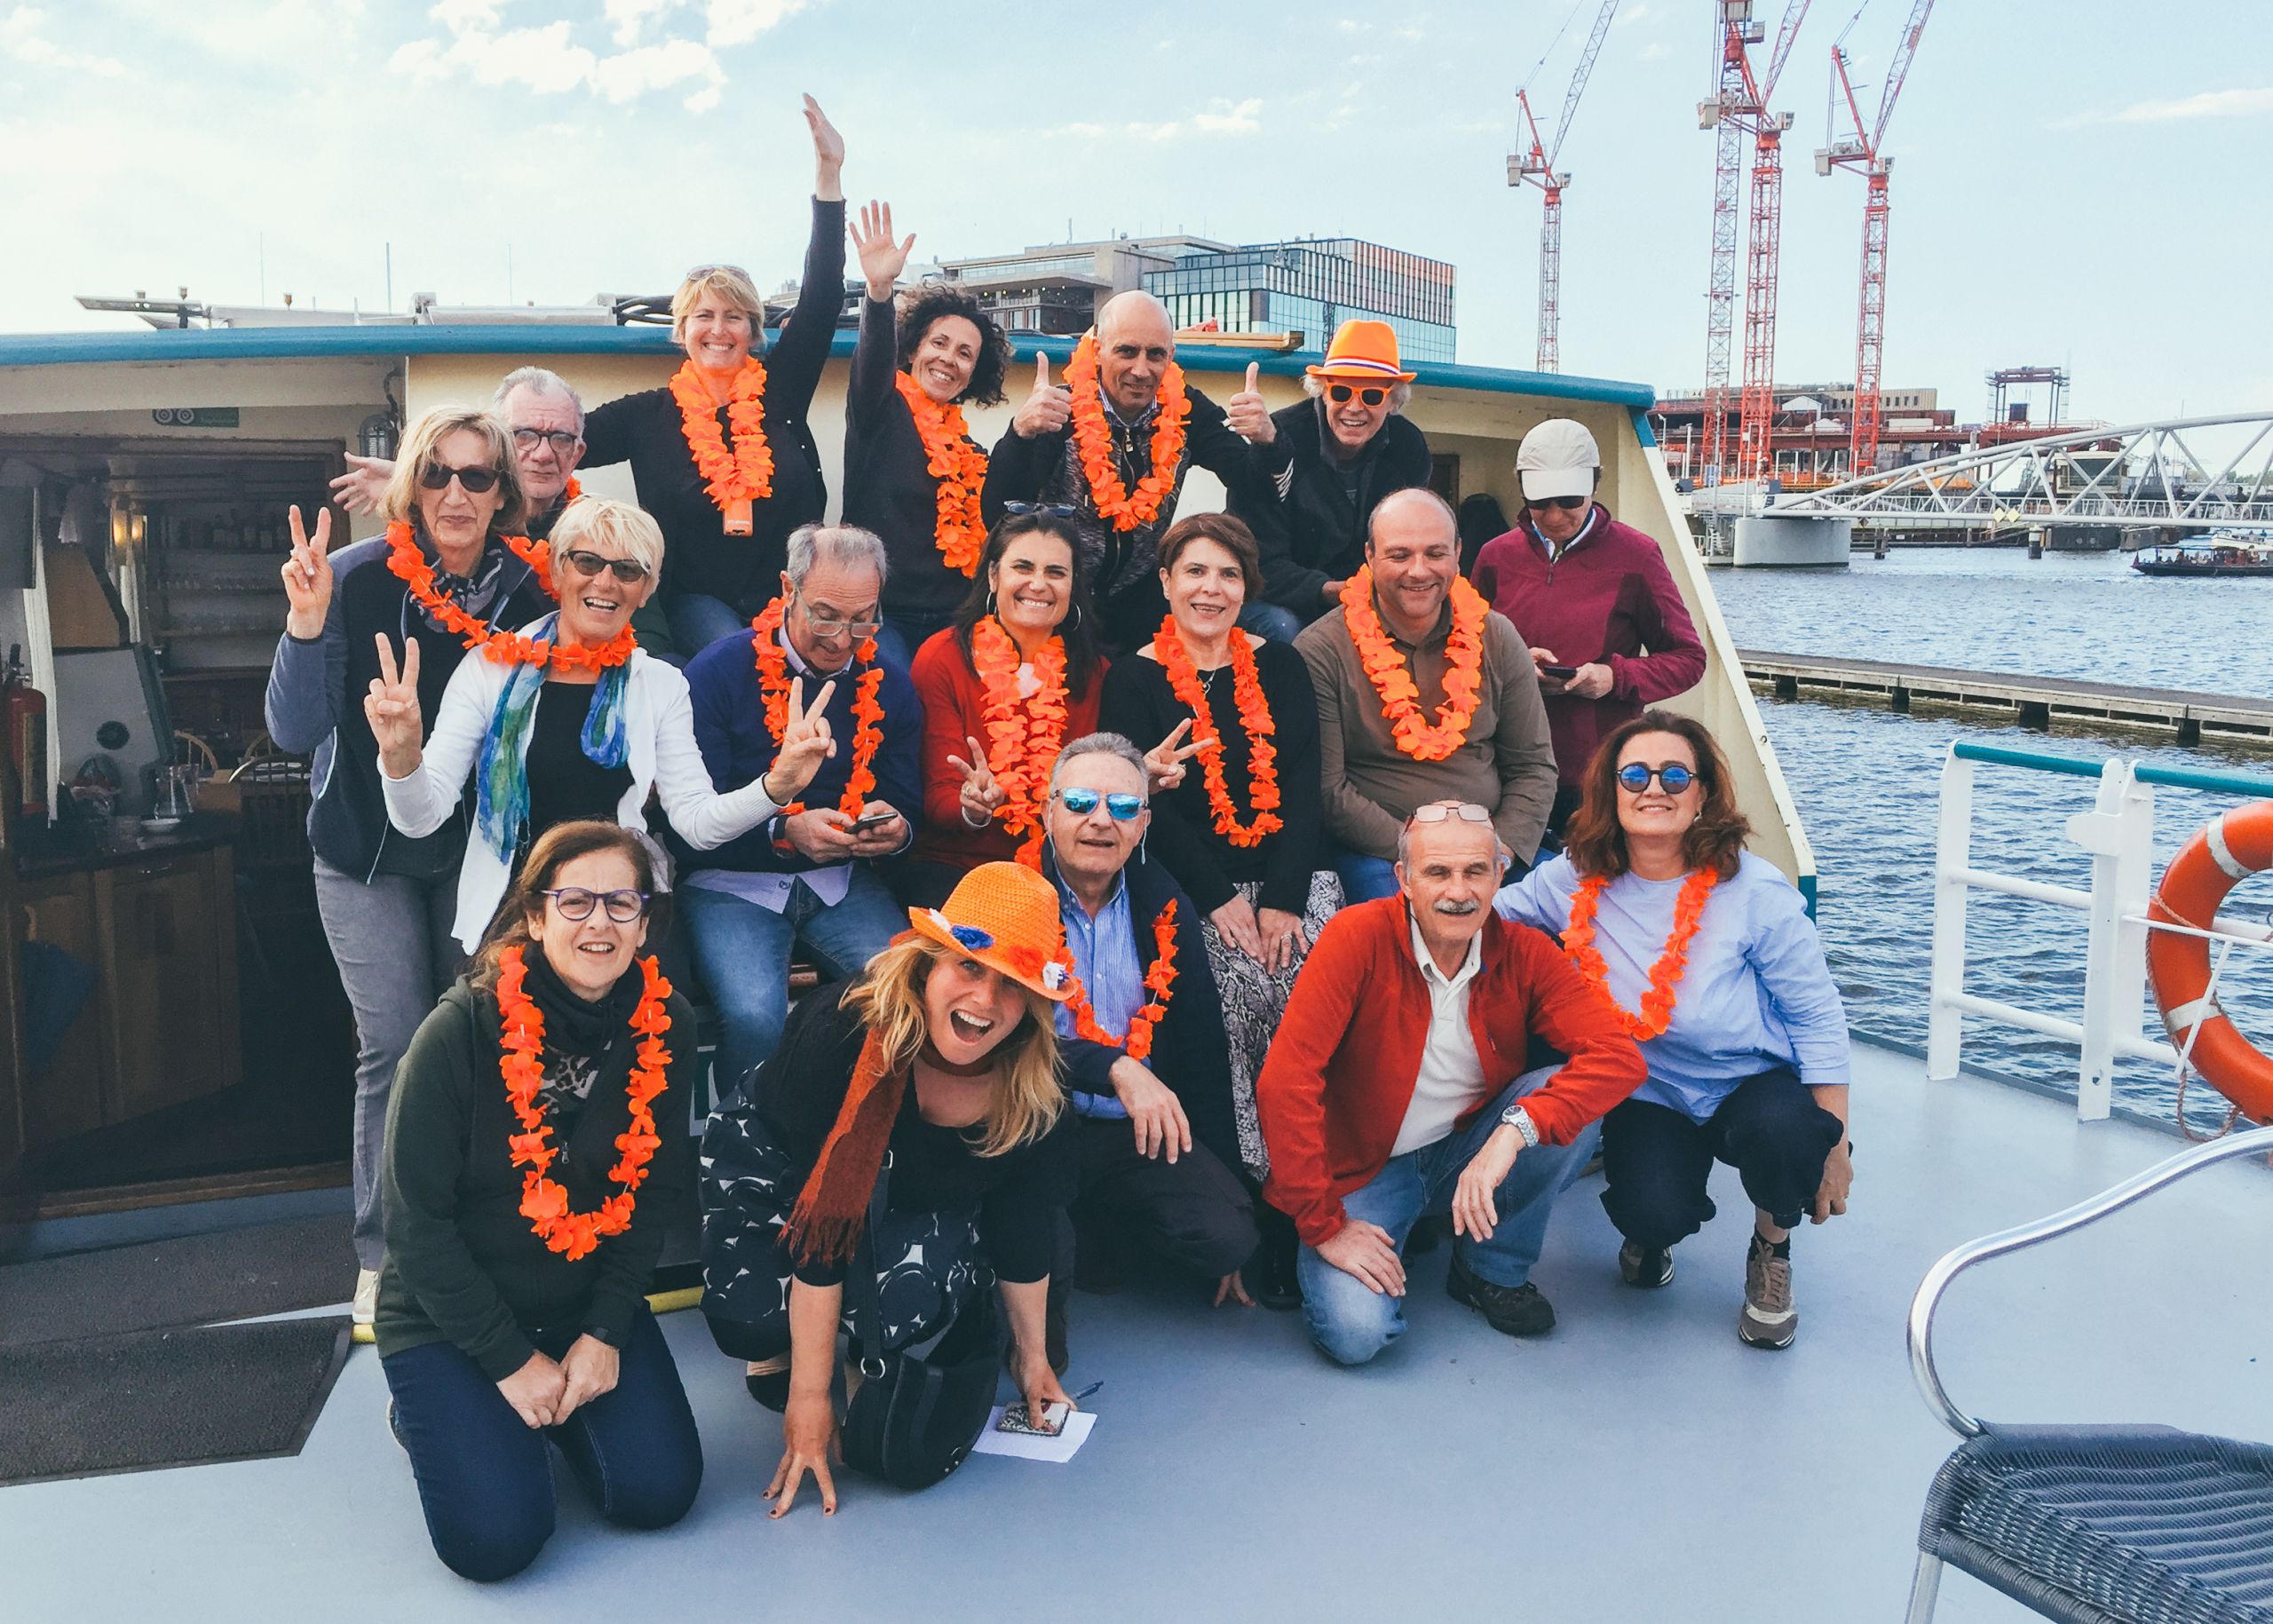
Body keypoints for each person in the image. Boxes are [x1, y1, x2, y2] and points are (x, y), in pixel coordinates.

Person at [265, 405, 552, 1319]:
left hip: (474, 857)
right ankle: (384, 1252)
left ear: (504, 492)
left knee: (479, 1040)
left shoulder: (533, 593)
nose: (455, 493)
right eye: (437, 473)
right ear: (409, 485)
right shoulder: (351, 579)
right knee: (393, 1042)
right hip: (365, 851)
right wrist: (305, 627)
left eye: (477, 476)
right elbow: (293, 730)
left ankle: (476, 1230)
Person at [699, 862, 1081, 1518]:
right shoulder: (839, 1031)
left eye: (1012, 984)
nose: (985, 1000)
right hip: (787, 1155)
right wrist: (811, 1400)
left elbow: (1021, 1214)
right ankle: (793, 1346)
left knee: (907, 1305)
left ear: (1034, 1006)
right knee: (747, 1315)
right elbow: (820, 1226)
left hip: (924, 1191)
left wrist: (1034, 1356)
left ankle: (929, 1305)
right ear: (928, 965)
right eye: (968, 966)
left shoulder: (1038, 1089)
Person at [376, 821, 702, 1580]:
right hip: (453, 1318)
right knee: (496, 1544)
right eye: (576, 901)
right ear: (534, 915)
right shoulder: (455, 1033)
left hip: (580, 1297)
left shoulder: (669, 1024)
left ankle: (548, 1411)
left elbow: (649, 1196)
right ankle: (437, 1411)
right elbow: (414, 1226)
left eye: (622, 903)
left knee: (657, 1493)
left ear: (645, 923)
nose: (600, 923)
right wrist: (508, 1358)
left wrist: (604, 1330)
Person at [1493, 710, 1852, 1350]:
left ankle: (1771, 1251)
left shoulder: (1755, 892)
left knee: (1790, 1136)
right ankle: (1653, 1232)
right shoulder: (1571, 876)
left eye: (1675, 773)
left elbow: (1818, 1016)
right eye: (1634, 773)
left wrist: (1838, 1146)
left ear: (1703, 794)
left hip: (1749, 1081)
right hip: (1647, 1088)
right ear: (1611, 791)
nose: (1653, 787)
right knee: (1650, 1211)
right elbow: (1488, 918)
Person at [1255, 802, 1645, 1366]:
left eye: (1475, 872)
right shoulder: (1355, 937)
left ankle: (1490, 1267)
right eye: (1437, 872)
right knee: (1355, 1335)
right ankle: (1360, 1232)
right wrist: (1323, 1226)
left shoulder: (1527, 953)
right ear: (1404, 880)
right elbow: (1287, 1082)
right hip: (1366, 1166)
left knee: (1572, 1096)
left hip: (1471, 1148)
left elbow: (1619, 1058)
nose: (1457, 891)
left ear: (1500, 873)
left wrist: (1512, 1134)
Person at [366, 496, 833, 954]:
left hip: (622, 910)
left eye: (629, 570)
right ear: (557, 571)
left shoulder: (661, 685)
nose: (606, 582)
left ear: (647, 590)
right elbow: (419, 820)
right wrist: (402, 756)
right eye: (588, 562)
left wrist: (777, 785)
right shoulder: (489, 670)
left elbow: (696, 825)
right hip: (517, 908)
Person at [1097, 514, 1338, 1243]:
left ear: (1247, 588)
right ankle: (1255, 1193)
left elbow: (1302, 787)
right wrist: (1223, 898)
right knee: (1233, 1009)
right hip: (1196, 883)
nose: (1211, 588)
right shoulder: (1134, 677)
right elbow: (1153, 817)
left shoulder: (1284, 666)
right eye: (1195, 572)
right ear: (1166, 583)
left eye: (1229, 574)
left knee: (1313, 1003)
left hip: (1294, 875)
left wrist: (1287, 901)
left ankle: (1323, 1182)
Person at [574, 95, 851, 660]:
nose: (719, 330)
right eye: (704, 315)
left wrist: (829, 175)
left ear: (754, 330)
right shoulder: (647, 416)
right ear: (682, 330)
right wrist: (425, 464)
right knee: (736, 655)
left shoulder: (781, 391)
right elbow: (548, 445)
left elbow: (822, 296)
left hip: (791, 594)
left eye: (735, 317)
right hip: (694, 602)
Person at [680, 522, 922, 1088]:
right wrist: (782, 833)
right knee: (754, 1016)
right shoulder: (715, 673)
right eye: (825, 614)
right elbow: (685, 820)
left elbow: (908, 802)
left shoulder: (889, 679)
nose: (843, 638)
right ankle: (740, 1157)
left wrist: (893, 829)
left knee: (906, 992)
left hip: (841, 879)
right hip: (730, 884)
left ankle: (860, 1148)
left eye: (864, 618)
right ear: (787, 589)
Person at [1040, 733, 1260, 1351]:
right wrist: (1113, 1066)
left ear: (1143, 824)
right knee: (1040, 1264)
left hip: (1131, 1130)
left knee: (1228, 1234)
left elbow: (1200, 1048)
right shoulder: (1013, 895)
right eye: (1081, 801)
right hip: (1034, 1124)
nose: (1100, 821)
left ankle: (1099, 1222)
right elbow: (992, 1043)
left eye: (1123, 807)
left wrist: (1229, 1184)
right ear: (1047, 809)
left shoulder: (1165, 900)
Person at [980, 289, 1297, 649]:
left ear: (1171, 357)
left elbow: (1264, 492)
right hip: (1063, 599)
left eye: (1155, 354)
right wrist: (1020, 435)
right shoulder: (1059, 410)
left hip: (1143, 603)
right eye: (1127, 351)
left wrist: (1268, 441)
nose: (1141, 370)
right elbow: (998, 514)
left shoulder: (1188, 411)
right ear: (1098, 350)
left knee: (1274, 629)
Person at [1295, 487, 1558, 904]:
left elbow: (1534, 767)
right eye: (1399, 555)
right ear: (1369, 556)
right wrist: (1424, 854)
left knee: (1582, 912)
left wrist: (1499, 854)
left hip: (1493, 848)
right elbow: (1329, 791)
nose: (1419, 571)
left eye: (1435, 554)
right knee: (1410, 933)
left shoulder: (1498, 635)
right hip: (1384, 853)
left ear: (1457, 553)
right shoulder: (1321, 649)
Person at [330, 368, 683, 661]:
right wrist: (410, 479)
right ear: (495, 445)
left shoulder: (604, 534)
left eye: (560, 439)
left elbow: (650, 642)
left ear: (577, 454)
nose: (543, 454)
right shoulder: (455, 528)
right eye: (524, 435)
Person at [1470, 418, 1707, 835]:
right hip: (1507, 766)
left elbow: (1689, 658)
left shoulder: (1637, 555)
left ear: (1594, 486)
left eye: (1568, 499)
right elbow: (1465, 651)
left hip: (1597, 772)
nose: (1555, 515)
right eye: (1541, 503)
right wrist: (1516, 667)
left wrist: (1613, 677)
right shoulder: (1494, 557)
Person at [840, 200, 1013, 671]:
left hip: (953, 618)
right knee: (899, 701)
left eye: (965, 354)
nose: (948, 360)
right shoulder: (881, 409)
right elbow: (872, 362)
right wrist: (879, 293)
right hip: (882, 616)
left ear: (974, 373)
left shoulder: (968, 449)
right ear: (912, 346)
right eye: (939, 343)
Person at [904, 511, 1107, 899]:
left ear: (1073, 585)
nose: (1038, 584)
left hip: (1058, 871)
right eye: (1023, 567)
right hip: (956, 865)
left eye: (1056, 572)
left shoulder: (1096, 673)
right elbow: (938, 795)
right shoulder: (942, 658)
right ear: (994, 577)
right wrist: (972, 806)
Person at [1226, 319, 1435, 628]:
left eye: (1372, 396)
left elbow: (1414, 539)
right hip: (1277, 597)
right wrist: (1328, 591)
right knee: (1283, 626)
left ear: (1392, 400)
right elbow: (1255, 558)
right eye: (1341, 392)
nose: (1354, 407)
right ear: (1322, 393)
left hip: (1368, 599)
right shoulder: (1277, 440)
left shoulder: (1409, 446)